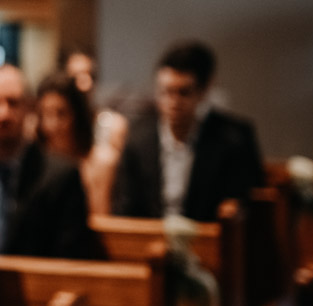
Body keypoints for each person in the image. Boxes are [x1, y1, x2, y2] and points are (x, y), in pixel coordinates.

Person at [0, 65, 100, 259]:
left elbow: (70, 255)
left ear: (30, 107)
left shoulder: (61, 176)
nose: (2, 114)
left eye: (12, 103)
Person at [113, 41, 266, 221]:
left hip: (208, 243)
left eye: (183, 93)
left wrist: (235, 209)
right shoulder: (138, 138)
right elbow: (125, 208)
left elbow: (250, 203)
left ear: (203, 91)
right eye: (166, 92)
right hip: (151, 241)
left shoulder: (234, 138)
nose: (173, 102)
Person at [35, 73, 120, 217]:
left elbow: (100, 223)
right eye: (46, 115)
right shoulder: (36, 164)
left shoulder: (102, 162)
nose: (52, 125)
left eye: (61, 114)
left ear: (77, 115)